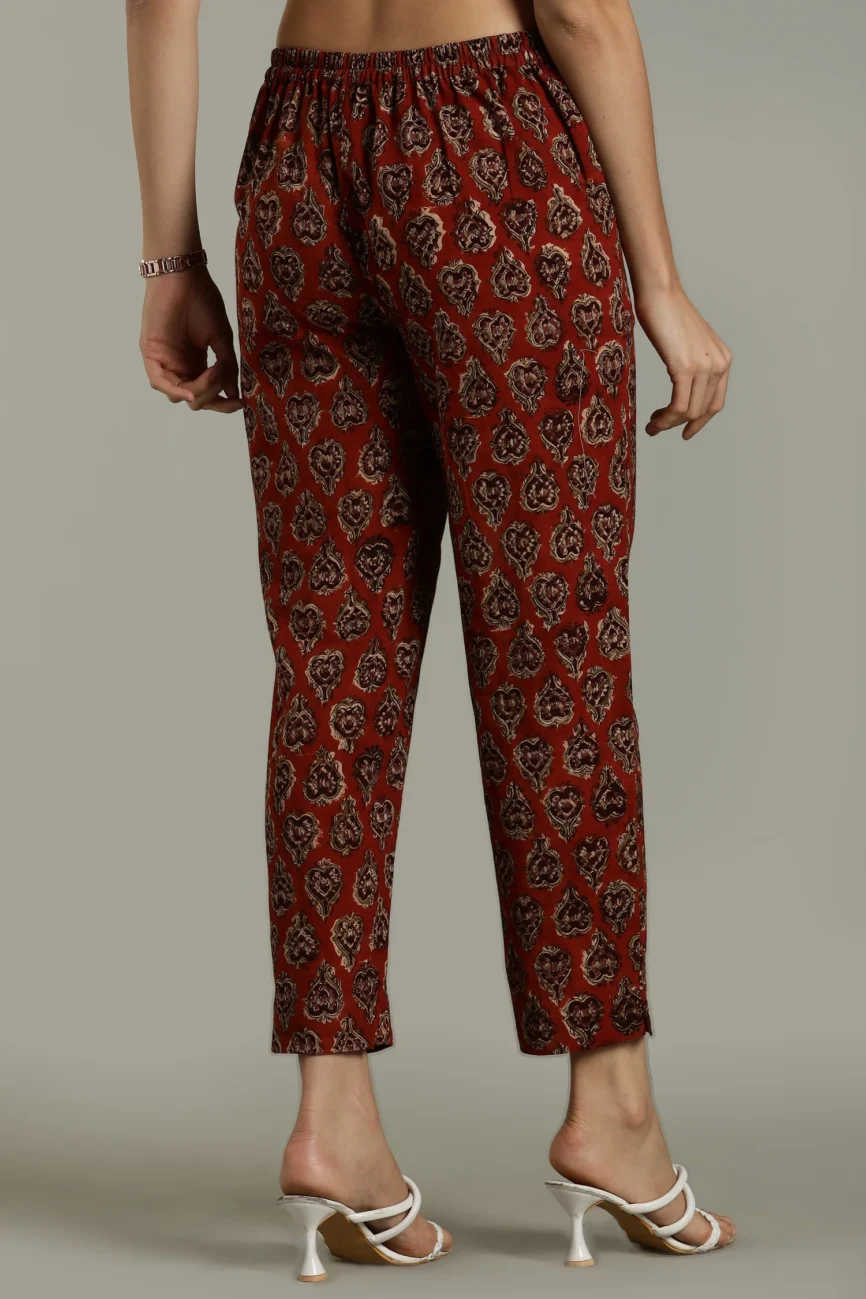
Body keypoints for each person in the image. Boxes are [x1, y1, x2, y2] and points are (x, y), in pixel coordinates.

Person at [127, 0, 735, 1278]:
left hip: (296, 158)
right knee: (554, 655)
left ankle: (332, 1119)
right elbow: (575, 11)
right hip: (495, 161)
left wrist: (170, 258)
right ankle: (611, 1112)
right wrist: (662, 285)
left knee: (329, 669)